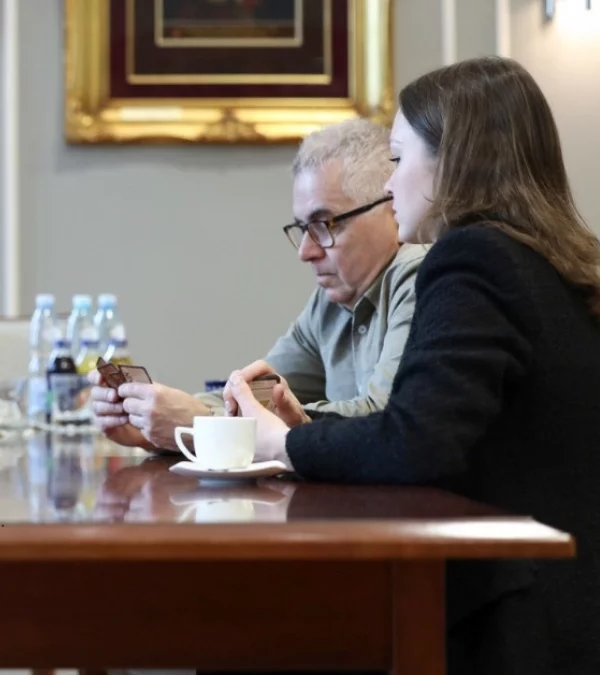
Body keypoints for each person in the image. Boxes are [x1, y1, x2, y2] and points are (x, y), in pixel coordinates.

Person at [224, 56, 600, 674]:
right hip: (567, 599)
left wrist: (283, 444)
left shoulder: (473, 259)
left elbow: (415, 441)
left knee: (247, 631)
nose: (391, 185)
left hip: (513, 619)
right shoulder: (550, 260)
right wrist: (303, 429)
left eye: (398, 160)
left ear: (453, 160)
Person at [91, 118, 427, 450]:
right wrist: (152, 418)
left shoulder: (420, 274)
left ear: (390, 207)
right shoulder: (330, 300)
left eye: (324, 224)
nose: (306, 252)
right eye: (302, 229)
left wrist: (200, 423)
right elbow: (255, 396)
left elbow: (384, 420)